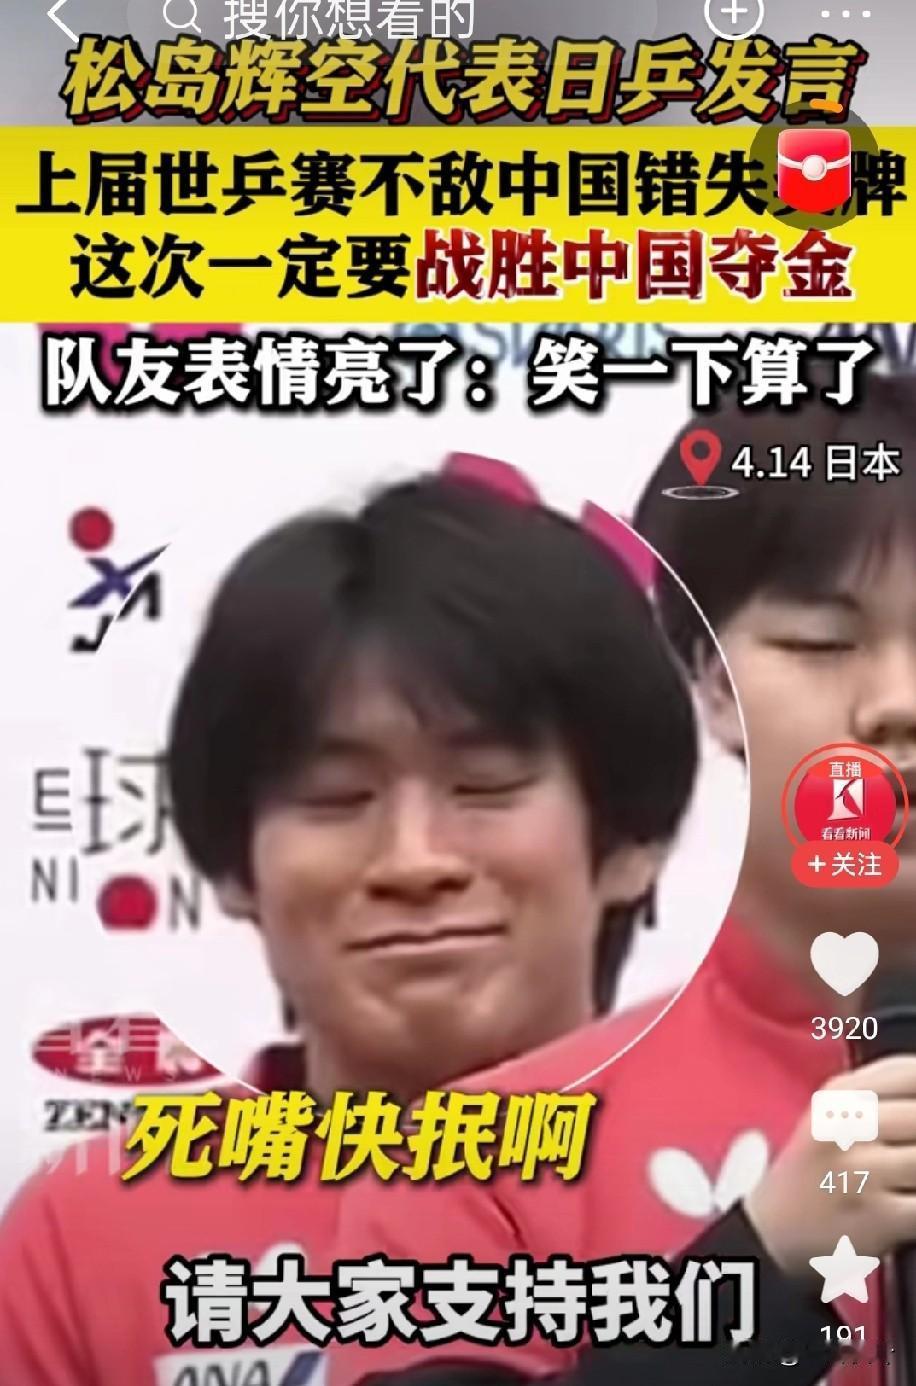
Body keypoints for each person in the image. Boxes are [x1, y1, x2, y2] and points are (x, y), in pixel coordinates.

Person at [0, 473, 701, 1383]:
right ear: (233, 866)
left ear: (632, 840)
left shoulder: (780, 1178)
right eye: (336, 797)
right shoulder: (89, 1235)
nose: (414, 861)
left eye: (484, 786)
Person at [328, 374, 916, 1386]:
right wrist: (758, 1274)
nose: (898, 705)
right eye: (821, 644)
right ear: (708, 684)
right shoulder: (479, 1164)